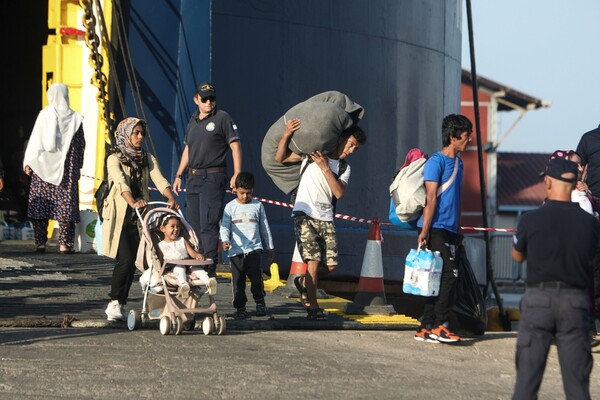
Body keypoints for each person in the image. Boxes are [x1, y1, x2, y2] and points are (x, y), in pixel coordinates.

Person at [512, 158, 600, 400]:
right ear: (573, 185)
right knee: (577, 386)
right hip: (574, 302)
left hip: (538, 301)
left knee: (526, 385)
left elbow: (517, 256)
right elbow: (591, 258)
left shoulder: (530, 219)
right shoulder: (590, 224)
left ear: (548, 183)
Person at [275, 119, 367, 321]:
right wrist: (286, 134)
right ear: (341, 139)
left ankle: (304, 281)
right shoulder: (312, 155)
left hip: (326, 217)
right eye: (350, 144)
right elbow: (280, 157)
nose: (351, 150)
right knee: (314, 263)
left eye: (355, 149)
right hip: (305, 214)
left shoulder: (344, 168)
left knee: (331, 266)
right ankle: (313, 307)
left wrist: (326, 168)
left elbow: (339, 193)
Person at [102, 117, 179, 321]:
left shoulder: (147, 158)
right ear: (126, 134)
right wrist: (132, 201)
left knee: (145, 261)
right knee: (126, 260)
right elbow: (120, 183)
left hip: (141, 218)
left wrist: (170, 197)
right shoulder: (114, 158)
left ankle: (139, 304)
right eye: (136, 133)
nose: (140, 137)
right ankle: (114, 302)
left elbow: (160, 179)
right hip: (120, 217)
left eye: (142, 133)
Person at [172, 82, 242, 276]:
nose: (209, 102)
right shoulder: (193, 121)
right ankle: (197, 263)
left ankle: (208, 266)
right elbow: (188, 149)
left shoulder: (222, 118)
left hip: (213, 176)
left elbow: (235, 146)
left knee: (208, 223)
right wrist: (178, 175)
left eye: (212, 98)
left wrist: (237, 173)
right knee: (194, 224)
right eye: (205, 99)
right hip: (193, 177)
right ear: (196, 100)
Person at [414, 114, 473, 343]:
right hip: (434, 228)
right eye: (466, 136)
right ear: (453, 137)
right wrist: (425, 232)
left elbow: (455, 199)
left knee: (435, 278)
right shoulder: (436, 162)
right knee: (450, 275)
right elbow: (431, 198)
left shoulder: (459, 163)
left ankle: (425, 326)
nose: (469, 140)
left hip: (449, 230)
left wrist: (457, 231)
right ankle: (440, 324)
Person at [22, 83, 85, 254]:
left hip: (42, 169)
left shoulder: (44, 115)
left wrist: (28, 162)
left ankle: (40, 244)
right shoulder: (76, 119)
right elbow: (80, 145)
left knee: (41, 205)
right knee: (65, 207)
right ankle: (65, 245)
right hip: (66, 172)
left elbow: (35, 140)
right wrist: (77, 166)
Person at [219, 171, 275, 319]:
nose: (245, 197)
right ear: (235, 189)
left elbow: (264, 227)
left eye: (248, 193)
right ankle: (240, 307)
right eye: (242, 193)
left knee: (257, 280)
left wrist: (270, 247)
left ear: (253, 190)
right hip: (236, 252)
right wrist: (225, 240)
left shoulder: (258, 206)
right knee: (238, 282)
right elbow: (224, 226)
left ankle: (260, 302)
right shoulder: (230, 207)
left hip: (254, 250)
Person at [157, 214, 217, 298]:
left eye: (178, 226)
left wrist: (197, 255)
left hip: (188, 265)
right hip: (172, 268)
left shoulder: (182, 240)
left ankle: (209, 282)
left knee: (197, 268)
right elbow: (159, 260)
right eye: (172, 226)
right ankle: (184, 285)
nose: (176, 229)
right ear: (162, 228)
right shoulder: (161, 245)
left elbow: (192, 253)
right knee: (179, 268)